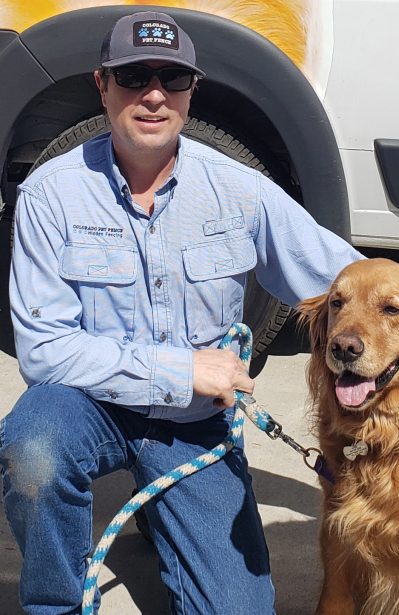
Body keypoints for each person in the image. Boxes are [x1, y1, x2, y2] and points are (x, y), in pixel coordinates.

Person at [0, 10, 363, 615]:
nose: (152, 94)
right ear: (101, 84)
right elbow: (43, 350)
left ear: (192, 91)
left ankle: (164, 501)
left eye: (172, 79)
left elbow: (349, 281)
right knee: (34, 447)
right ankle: (55, 604)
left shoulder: (241, 190)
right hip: (87, 404)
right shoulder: (50, 194)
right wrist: (179, 370)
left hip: (194, 426)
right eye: (133, 75)